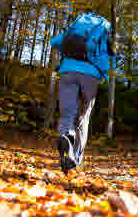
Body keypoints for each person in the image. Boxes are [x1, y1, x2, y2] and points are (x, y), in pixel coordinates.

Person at [50, 11, 115, 173]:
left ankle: (66, 137)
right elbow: (107, 59)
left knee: (67, 113)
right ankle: (76, 159)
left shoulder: (75, 28)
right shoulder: (102, 31)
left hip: (67, 72)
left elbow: (55, 42)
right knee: (83, 118)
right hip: (90, 76)